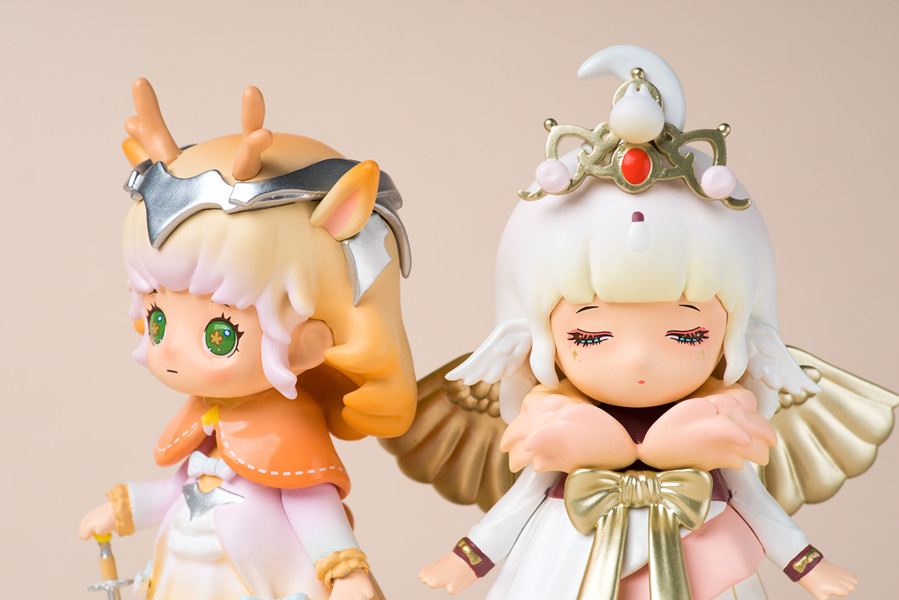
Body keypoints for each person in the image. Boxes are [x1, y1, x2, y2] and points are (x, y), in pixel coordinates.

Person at [79, 79, 415, 600]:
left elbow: (312, 507)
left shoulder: (289, 442)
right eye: (158, 320)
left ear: (309, 342)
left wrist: (344, 568)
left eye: (220, 335)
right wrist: (123, 509)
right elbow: (175, 492)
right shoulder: (204, 426)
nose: (170, 350)